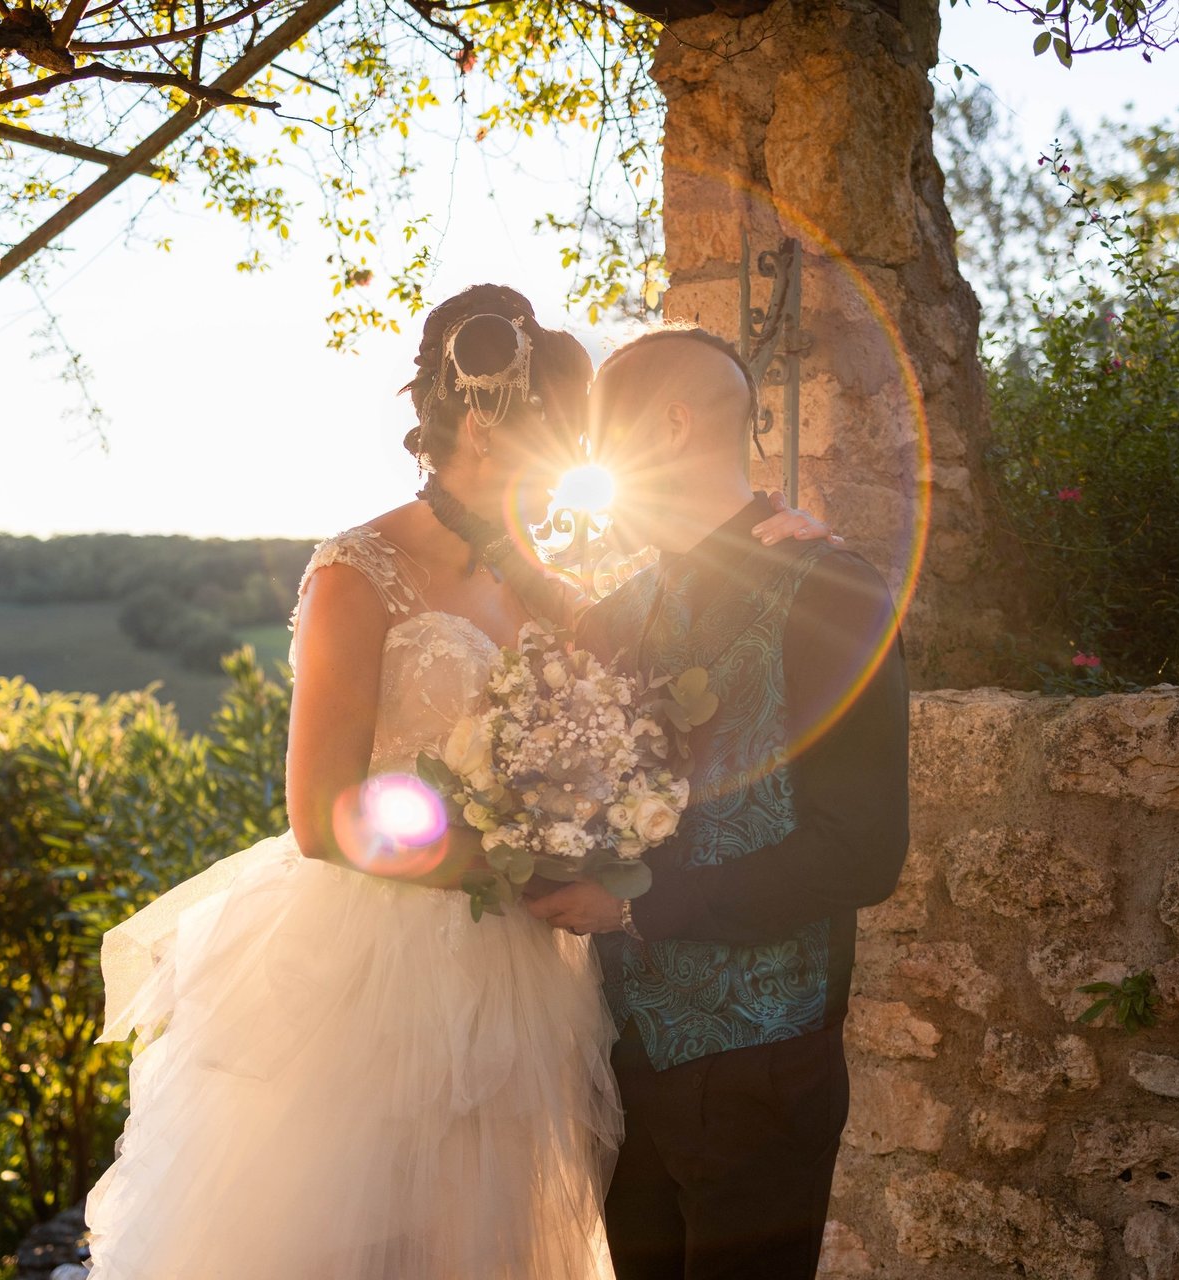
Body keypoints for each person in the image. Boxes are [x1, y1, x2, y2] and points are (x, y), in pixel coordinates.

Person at [82, 286, 830, 1279]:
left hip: (523, 981)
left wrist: (772, 539)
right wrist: (514, 869)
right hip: (378, 969)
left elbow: (643, 670)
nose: (574, 461)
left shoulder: (553, 582)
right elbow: (322, 815)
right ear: (478, 420)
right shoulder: (361, 569)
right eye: (561, 433)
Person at [528, 326, 911, 1280]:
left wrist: (634, 906)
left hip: (763, 1066)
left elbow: (860, 849)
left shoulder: (830, 586)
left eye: (600, 436)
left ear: (670, 425)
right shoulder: (610, 615)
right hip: (624, 1066)